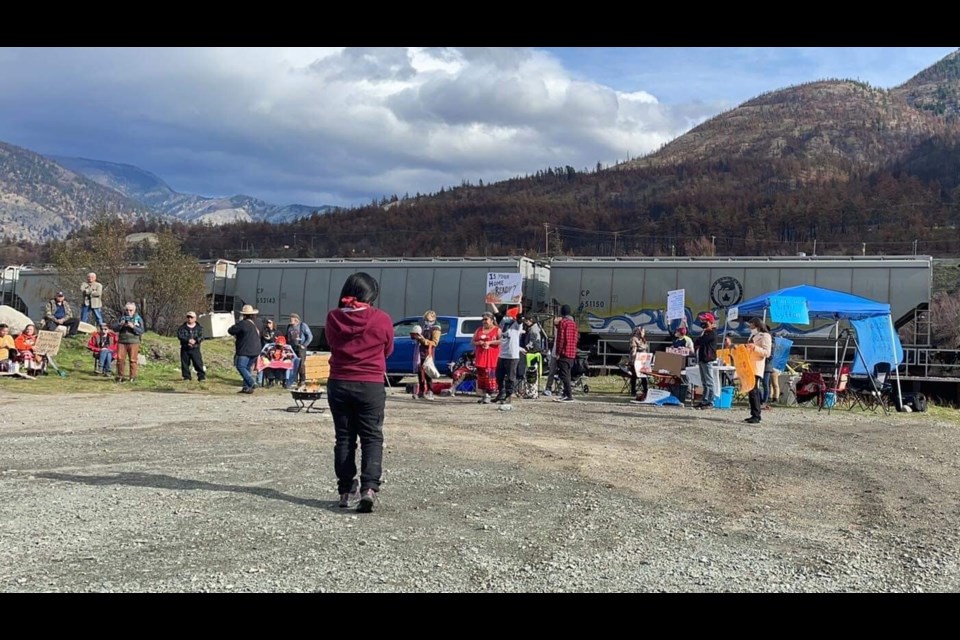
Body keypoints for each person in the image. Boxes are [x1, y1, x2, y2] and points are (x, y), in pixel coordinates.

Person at [324, 272, 394, 513]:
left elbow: (331, 344)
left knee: (344, 438)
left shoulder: (333, 317)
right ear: (370, 296)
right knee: (371, 436)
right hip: (370, 384)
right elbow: (388, 349)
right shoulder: (382, 319)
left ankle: (345, 490)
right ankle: (369, 488)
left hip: (339, 382)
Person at [489, 303, 523, 404]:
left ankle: (508, 395)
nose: (507, 317)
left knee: (510, 377)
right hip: (502, 354)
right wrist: (491, 303)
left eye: (509, 316)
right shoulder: (503, 324)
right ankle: (501, 393)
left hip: (512, 355)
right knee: (499, 376)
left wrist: (519, 302)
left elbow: (520, 316)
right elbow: (497, 313)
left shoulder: (517, 325)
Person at [228, 304, 261, 393]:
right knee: (247, 367)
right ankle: (246, 388)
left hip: (245, 349)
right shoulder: (257, 323)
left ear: (243, 315)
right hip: (256, 349)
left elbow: (230, 330)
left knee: (241, 366)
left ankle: (251, 383)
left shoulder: (242, 324)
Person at [744, 318, 772, 424]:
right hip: (748, 364)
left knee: (754, 390)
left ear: (757, 325)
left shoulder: (765, 336)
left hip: (756, 365)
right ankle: (753, 413)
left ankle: (756, 415)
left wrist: (755, 348)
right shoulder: (752, 336)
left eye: (752, 325)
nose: (750, 328)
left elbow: (767, 352)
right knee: (751, 390)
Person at [412, 310, 442, 400]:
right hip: (420, 351)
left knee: (428, 371)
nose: (427, 322)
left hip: (428, 352)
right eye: (426, 319)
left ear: (434, 319)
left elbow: (435, 342)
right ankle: (421, 391)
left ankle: (430, 391)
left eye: (429, 320)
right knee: (420, 372)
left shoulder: (436, 328)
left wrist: (423, 340)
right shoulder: (423, 326)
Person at [112, 302, 145, 383]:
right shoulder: (121, 318)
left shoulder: (138, 318)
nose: (129, 312)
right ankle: (120, 377)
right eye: (127, 310)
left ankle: (132, 377)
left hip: (133, 342)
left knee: (133, 360)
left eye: (131, 310)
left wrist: (133, 327)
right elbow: (114, 328)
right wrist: (121, 325)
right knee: (120, 360)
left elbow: (141, 331)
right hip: (122, 341)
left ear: (134, 310)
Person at [472, 312, 500, 404]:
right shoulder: (479, 330)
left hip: (492, 357)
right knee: (481, 376)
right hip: (480, 356)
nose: (484, 321)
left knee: (490, 376)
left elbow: (502, 340)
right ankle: (483, 395)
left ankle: (489, 395)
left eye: (486, 319)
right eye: (483, 319)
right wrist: (479, 343)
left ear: (492, 320)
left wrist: (489, 343)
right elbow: (473, 341)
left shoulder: (497, 330)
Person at [694, 313, 719, 409]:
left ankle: (710, 401)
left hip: (707, 359)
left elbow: (701, 341)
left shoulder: (711, 333)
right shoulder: (705, 332)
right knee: (704, 381)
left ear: (709, 321)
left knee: (709, 381)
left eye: (704, 321)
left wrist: (701, 337)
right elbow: (697, 341)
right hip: (702, 358)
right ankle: (704, 400)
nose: (702, 322)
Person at [554, 304, 579, 402]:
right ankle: (565, 393)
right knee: (568, 373)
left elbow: (561, 339)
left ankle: (568, 395)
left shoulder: (563, 323)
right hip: (572, 352)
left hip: (564, 352)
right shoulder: (573, 323)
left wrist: (558, 352)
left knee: (564, 375)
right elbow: (576, 337)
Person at [286, 313, 314, 387]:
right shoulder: (289, 326)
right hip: (292, 348)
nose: (290, 320)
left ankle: (302, 380)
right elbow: (287, 336)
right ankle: (293, 380)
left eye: (291, 319)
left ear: (296, 319)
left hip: (300, 348)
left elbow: (310, 336)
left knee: (301, 364)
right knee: (292, 364)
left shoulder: (303, 325)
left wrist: (304, 345)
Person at [177, 311, 206, 382]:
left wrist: (195, 341)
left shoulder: (199, 328)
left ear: (195, 318)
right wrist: (188, 340)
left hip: (195, 348)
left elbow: (202, 336)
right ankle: (186, 377)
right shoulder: (182, 328)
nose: (189, 319)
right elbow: (180, 336)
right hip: (185, 348)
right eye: (188, 317)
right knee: (185, 364)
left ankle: (201, 377)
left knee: (198, 363)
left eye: (191, 317)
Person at [542, 316, 561, 397]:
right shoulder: (557, 329)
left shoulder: (562, 329)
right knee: (551, 372)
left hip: (560, 354)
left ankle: (561, 389)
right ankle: (548, 388)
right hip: (554, 353)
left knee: (562, 372)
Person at [628, 326, 649, 398]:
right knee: (634, 376)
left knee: (643, 376)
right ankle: (633, 391)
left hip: (643, 360)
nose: (644, 333)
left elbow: (645, 348)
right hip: (636, 360)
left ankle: (645, 390)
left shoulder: (643, 339)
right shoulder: (634, 339)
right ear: (639, 332)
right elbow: (633, 351)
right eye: (643, 331)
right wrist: (634, 361)